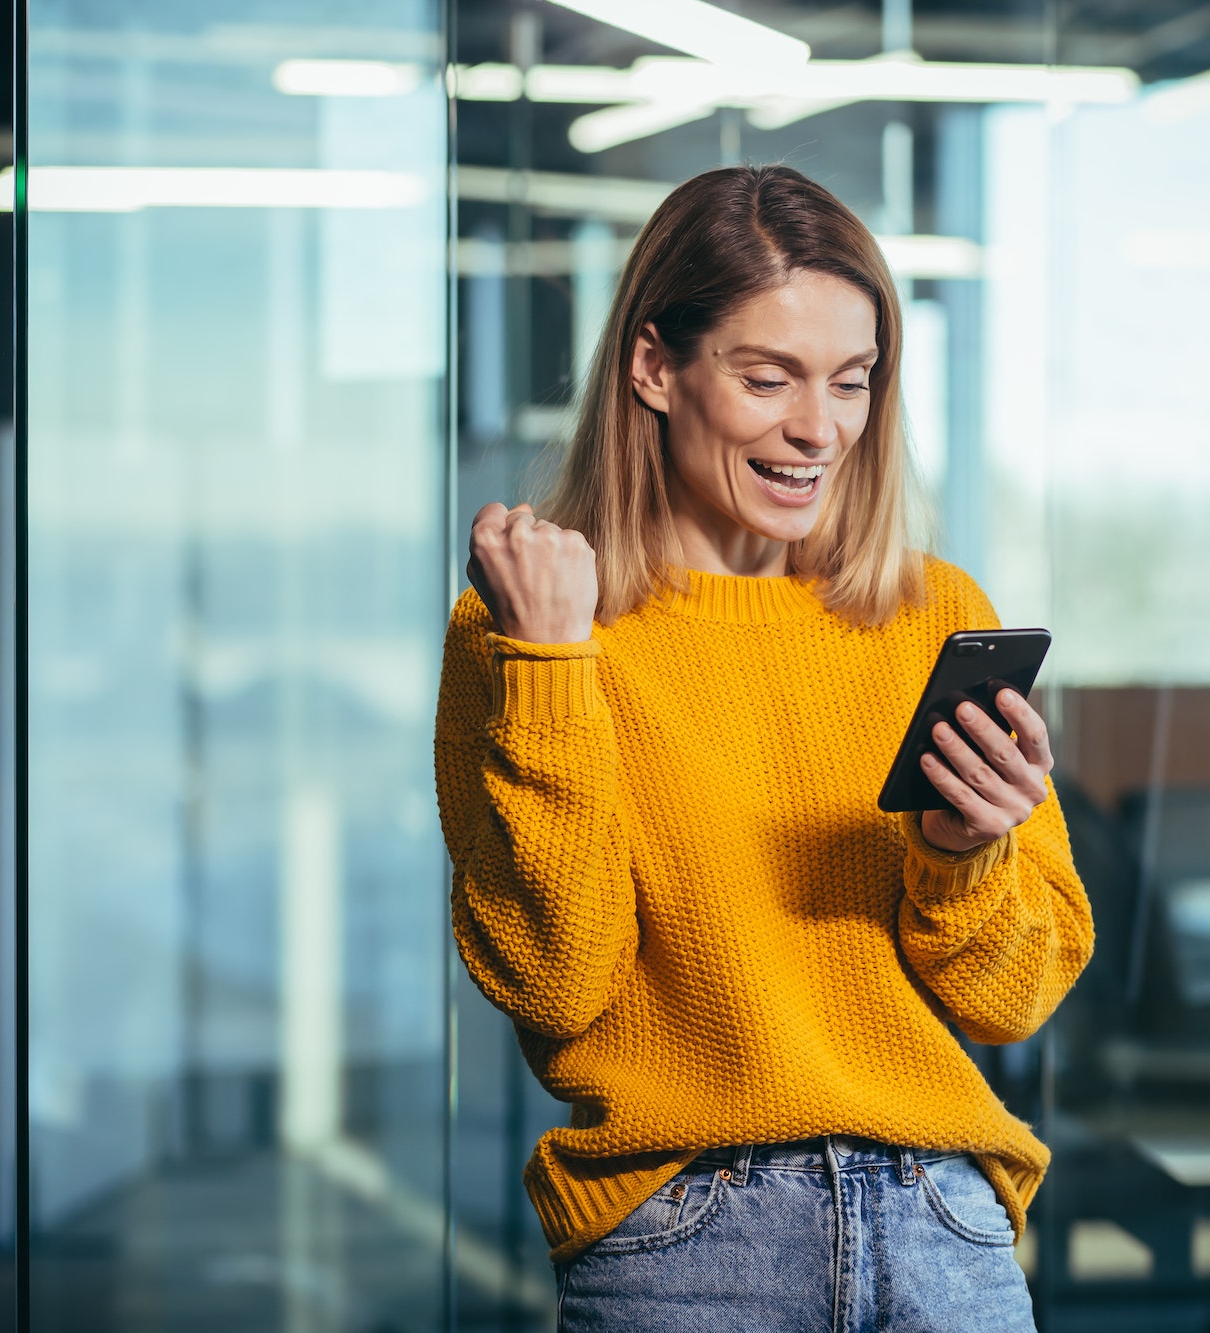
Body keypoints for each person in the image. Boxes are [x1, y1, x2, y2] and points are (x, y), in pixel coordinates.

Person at [435, 164, 1093, 1332]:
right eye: (766, 376)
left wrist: (960, 854)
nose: (817, 427)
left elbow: (1011, 998)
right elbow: (552, 981)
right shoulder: (534, 625)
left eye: (850, 380)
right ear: (653, 367)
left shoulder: (931, 614)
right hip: (687, 1245)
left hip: (940, 1225)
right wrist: (548, 663)